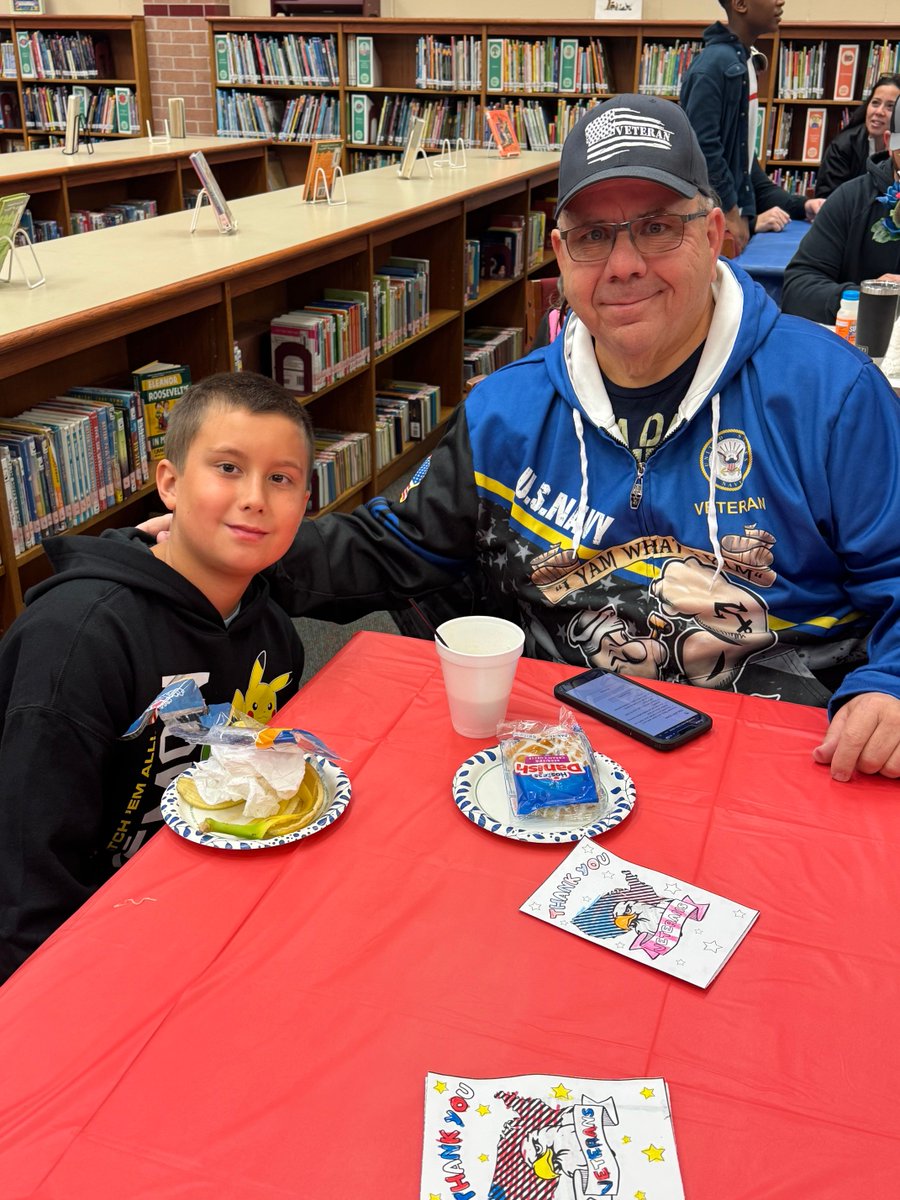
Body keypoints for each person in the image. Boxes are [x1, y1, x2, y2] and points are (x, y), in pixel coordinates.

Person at [243, 92, 900, 786]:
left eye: (655, 229)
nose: (622, 265)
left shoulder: (833, 396)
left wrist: (889, 685)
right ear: (559, 254)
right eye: (592, 236)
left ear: (713, 235)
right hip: (562, 763)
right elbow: (393, 547)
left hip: (783, 767)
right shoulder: (508, 410)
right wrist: (230, 553)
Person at [0, 372, 313, 982]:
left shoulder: (274, 635)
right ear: (169, 483)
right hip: (79, 945)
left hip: (193, 902)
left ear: (305, 502)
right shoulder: (79, 640)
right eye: (227, 468)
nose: (255, 497)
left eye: (281, 479)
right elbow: (24, 883)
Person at [680, 1, 824, 253]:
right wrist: (731, 212)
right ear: (741, 4)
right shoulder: (715, 66)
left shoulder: (742, 60)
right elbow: (702, 149)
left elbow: (745, 168)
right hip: (714, 227)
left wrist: (801, 206)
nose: (781, 2)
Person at [782, 99, 900, 323]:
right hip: (861, 344)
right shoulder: (851, 200)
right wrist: (869, 299)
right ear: (889, 144)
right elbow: (798, 289)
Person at [815, 74, 900, 199]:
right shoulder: (843, 146)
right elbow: (827, 197)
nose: (879, 112)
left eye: (890, 107)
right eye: (875, 103)